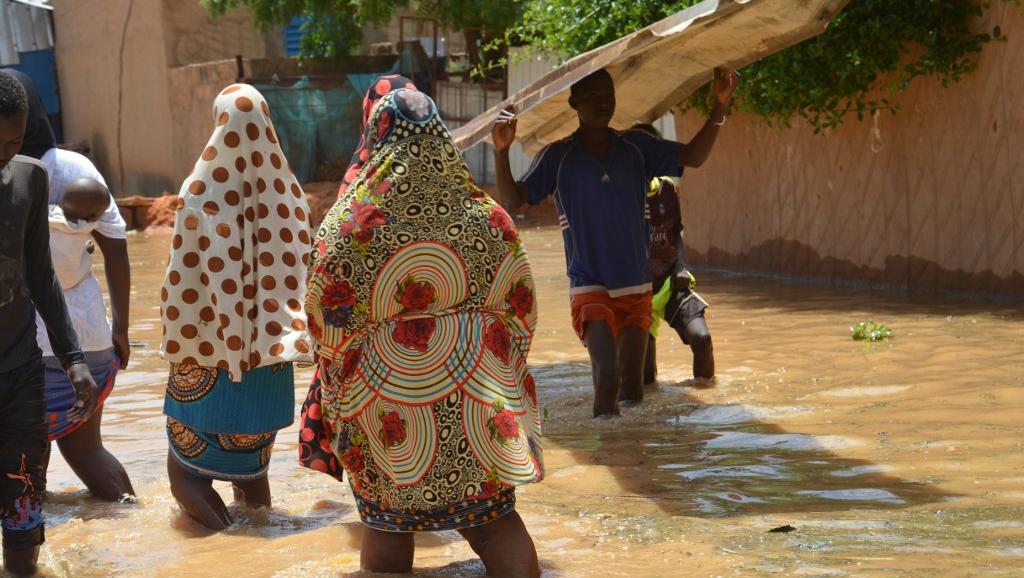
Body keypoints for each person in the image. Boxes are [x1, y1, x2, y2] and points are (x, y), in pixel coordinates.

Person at [300, 74, 543, 577]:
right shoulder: (489, 217)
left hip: (382, 402)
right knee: (494, 522)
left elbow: (324, 324)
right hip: (479, 394)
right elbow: (521, 309)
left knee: (388, 525)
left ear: (375, 137)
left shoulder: (348, 224)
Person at [492, 67, 736, 417]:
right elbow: (513, 200)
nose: (602, 102)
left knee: (633, 389)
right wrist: (501, 152)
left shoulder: (637, 147)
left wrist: (720, 106)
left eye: (607, 93)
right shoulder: (558, 157)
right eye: (592, 95)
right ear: (574, 103)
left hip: (636, 286)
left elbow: (692, 157)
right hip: (589, 285)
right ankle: (605, 443)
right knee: (607, 377)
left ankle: (627, 446)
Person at [160, 83, 313, 530]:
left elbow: (178, 280)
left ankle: (227, 546)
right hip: (268, 363)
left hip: (205, 358)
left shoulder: (197, 191)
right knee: (253, 477)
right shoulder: (289, 195)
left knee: (185, 480)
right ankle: (263, 546)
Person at [0, 69, 99, 576]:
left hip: (21, 370)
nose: (4, 154)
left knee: (24, 510)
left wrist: (74, 359)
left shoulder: (29, 178)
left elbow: (40, 275)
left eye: (13, 142)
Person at [35, 177, 136, 502]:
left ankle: (34, 518)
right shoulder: (86, 222)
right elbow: (117, 251)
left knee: (25, 448)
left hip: (36, 343)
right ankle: (128, 513)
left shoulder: (25, 193)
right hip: (93, 341)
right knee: (89, 451)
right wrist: (121, 329)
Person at [631, 123, 715, 383]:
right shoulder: (621, 196)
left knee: (702, 339)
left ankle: (705, 396)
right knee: (646, 380)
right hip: (638, 293)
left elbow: (675, 232)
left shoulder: (668, 189)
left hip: (671, 283)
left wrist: (680, 267)